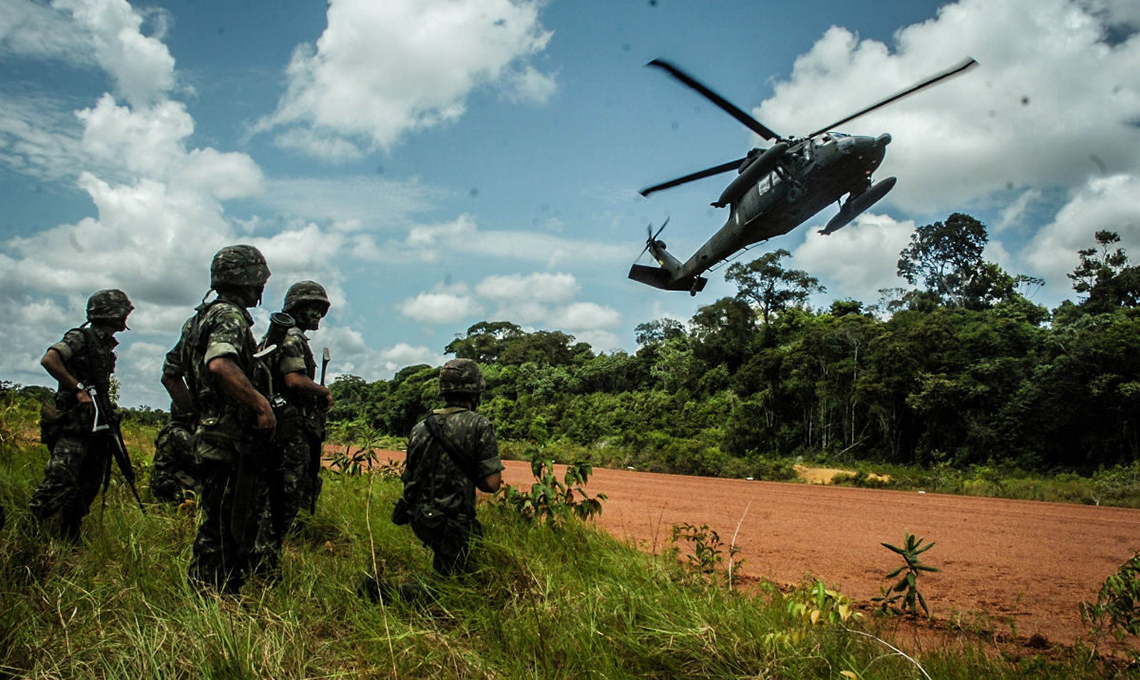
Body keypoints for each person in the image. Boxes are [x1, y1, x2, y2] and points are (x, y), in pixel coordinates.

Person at [162, 244, 276, 594]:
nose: (261, 289)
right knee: (232, 523)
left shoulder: (196, 320)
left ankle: (210, 593)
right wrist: (260, 405)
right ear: (246, 280)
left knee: (216, 522)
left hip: (210, 435)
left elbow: (171, 373)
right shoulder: (229, 316)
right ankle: (216, 597)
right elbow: (220, 363)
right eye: (258, 281)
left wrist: (195, 414)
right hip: (232, 439)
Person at [30, 288, 134, 540]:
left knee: (88, 486)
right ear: (111, 313)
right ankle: (30, 534)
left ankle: (70, 536)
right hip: (73, 427)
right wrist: (77, 389)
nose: (126, 317)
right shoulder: (80, 337)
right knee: (59, 482)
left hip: (95, 427)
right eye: (123, 311)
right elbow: (50, 359)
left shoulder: (104, 344)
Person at [252, 280, 333, 573]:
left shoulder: (281, 336)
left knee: (279, 494)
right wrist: (322, 392)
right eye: (313, 308)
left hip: (284, 427)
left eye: (321, 310)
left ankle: (264, 557)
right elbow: (294, 380)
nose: (318, 316)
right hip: (289, 430)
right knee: (284, 496)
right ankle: (263, 563)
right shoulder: (292, 337)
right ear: (296, 308)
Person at [395, 358, 504, 576]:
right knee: (457, 583)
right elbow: (492, 485)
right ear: (475, 392)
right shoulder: (478, 424)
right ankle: (384, 591)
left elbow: (409, 477)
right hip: (455, 524)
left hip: (423, 520)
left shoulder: (420, 427)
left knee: (448, 573)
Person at [148, 402, 199, 503]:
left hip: (162, 481)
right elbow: (197, 461)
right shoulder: (179, 434)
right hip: (170, 484)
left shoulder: (169, 430)